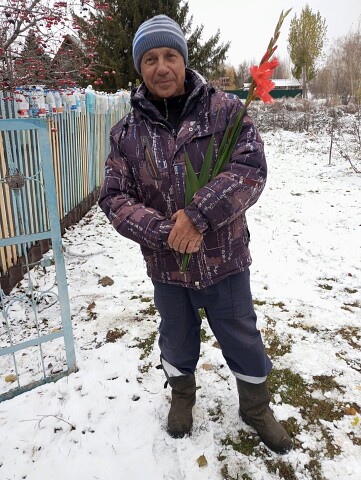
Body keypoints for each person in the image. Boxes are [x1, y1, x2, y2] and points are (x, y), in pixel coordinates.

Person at [98, 14, 292, 454]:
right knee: (176, 335)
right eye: (150, 59)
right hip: (168, 268)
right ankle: (182, 396)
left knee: (242, 335)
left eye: (170, 55)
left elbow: (250, 170)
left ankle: (256, 408)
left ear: (184, 61)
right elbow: (114, 197)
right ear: (139, 68)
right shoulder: (126, 133)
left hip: (224, 262)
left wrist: (198, 216)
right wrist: (168, 231)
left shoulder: (225, 111)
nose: (161, 67)